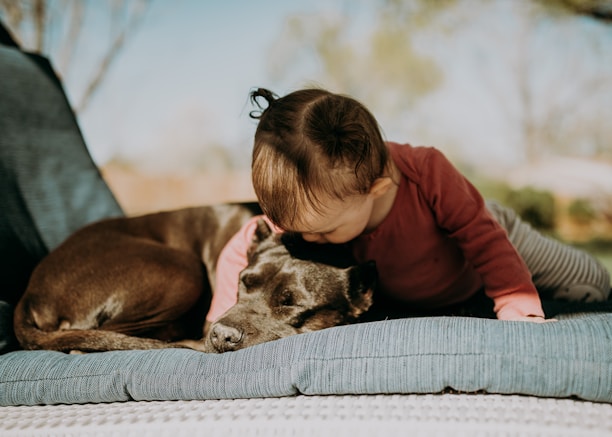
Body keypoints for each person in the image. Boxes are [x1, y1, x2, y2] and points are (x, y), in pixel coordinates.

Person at [205, 87, 610, 325]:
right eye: (296, 229)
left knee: (591, 286)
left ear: (377, 189)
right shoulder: (310, 213)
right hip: (431, 290)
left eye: (324, 232)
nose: (310, 239)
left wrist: (514, 299)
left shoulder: (427, 171)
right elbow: (243, 244)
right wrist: (220, 317)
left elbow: (482, 237)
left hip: (492, 234)